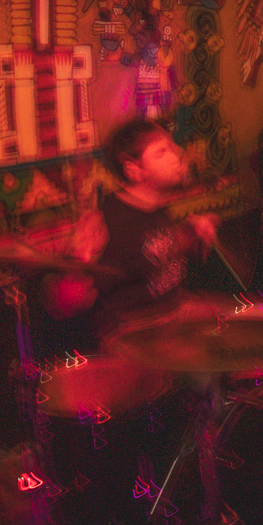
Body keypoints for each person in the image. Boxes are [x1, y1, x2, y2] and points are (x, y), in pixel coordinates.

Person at [48, 118, 220, 352]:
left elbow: (148, 256)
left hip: (172, 319)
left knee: (240, 322)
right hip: (135, 338)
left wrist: (187, 234)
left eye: (171, 147)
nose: (176, 156)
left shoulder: (155, 208)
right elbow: (67, 301)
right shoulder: (110, 222)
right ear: (134, 170)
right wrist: (77, 267)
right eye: (161, 152)